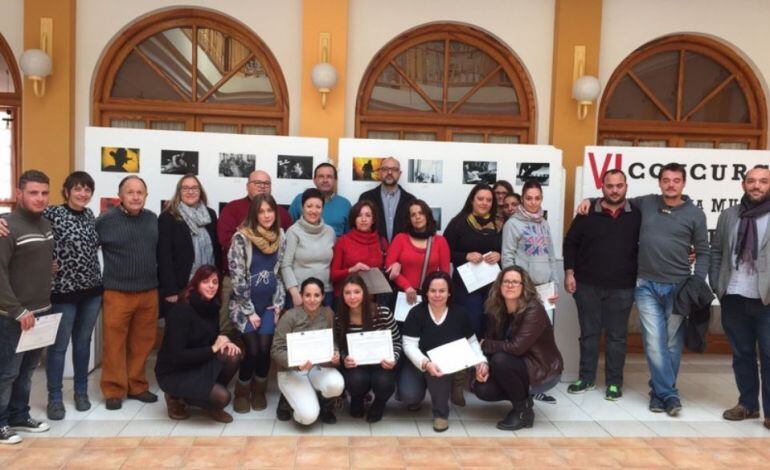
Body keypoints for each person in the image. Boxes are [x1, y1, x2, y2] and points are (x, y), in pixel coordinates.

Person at [577, 162, 710, 416]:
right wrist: (589, 199)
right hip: (646, 285)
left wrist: (697, 280)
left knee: (671, 343)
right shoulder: (646, 203)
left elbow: (703, 251)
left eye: (676, 180)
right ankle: (669, 395)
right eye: (666, 180)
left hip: (679, 287)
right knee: (653, 343)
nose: (671, 184)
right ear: (659, 183)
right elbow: (615, 199)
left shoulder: (695, 214)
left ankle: (659, 393)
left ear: (684, 183)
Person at [563, 169, 640, 400]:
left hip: (623, 286)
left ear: (626, 186)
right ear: (602, 187)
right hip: (587, 285)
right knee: (589, 334)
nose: (614, 190)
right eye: (609, 186)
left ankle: (614, 383)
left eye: (619, 185)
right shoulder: (587, 213)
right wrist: (569, 273)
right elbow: (570, 243)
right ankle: (586, 378)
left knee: (617, 337)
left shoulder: (638, 213)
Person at [710, 166, 770, 427]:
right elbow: (716, 251)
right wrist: (717, 284)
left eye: (763, 181)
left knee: (769, 354)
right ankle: (747, 405)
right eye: (752, 181)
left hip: (766, 298)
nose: (756, 185)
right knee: (742, 353)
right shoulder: (729, 215)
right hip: (733, 295)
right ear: (743, 185)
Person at [44, 172, 104, 420]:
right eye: (78, 189)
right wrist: (45, 261)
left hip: (91, 291)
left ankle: (81, 392)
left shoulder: (90, 215)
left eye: (87, 189)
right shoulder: (52, 213)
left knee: (83, 343)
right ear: (67, 191)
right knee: (58, 348)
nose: (83, 193)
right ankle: (55, 398)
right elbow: (22, 224)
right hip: (62, 292)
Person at [96, 175, 159, 410]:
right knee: (114, 344)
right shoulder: (105, 220)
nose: (135, 196)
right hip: (117, 292)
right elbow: (85, 246)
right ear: (120, 195)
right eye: (130, 192)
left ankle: (137, 386)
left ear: (145, 195)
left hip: (148, 292)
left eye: (140, 192)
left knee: (142, 342)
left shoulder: (152, 219)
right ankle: (114, 389)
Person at [0, 170, 54, 444]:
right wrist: (17, 310)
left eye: (44, 192)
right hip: (14, 316)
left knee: (27, 370)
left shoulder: (45, 223)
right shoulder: (6, 226)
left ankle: (19, 414)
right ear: (19, 193)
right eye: (33, 192)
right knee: (6, 371)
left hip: (40, 311)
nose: (40, 198)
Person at [474, 266, 563, 430]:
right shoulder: (496, 308)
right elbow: (492, 341)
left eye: (515, 282)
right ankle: (524, 401)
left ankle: (522, 413)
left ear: (524, 286)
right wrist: (483, 363)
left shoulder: (533, 309)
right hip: (515, 365)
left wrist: (484, 344)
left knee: (500, 359)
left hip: (541, 368)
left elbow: (516, 348)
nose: (510, 285)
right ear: (499, 285)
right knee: (482, 389)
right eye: (506, 281)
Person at [399, 271, 487, 432]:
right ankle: (420, 394)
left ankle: (441, 414)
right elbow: (409, 345)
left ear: (449, 292)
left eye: (442, 291)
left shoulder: (460, 313)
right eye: (433, 291)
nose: (437, 295)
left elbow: (472, 342)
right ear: (426, 292)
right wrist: (425, 363)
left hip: (444, 364)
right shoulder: (416, 313)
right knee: (409, 395)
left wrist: (481, 362)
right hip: (419, 362)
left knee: (438, 373)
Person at [155, 266, 242, 423]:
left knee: (233, 355)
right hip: (174, 371)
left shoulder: (212, 305)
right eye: (206, 281)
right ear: (196, 284)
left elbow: (210, 337)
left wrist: (225, 342)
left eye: (215, 282)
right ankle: (176, 397)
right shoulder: (182, 310)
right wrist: (213, 349)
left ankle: (205, 395)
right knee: (223, 398)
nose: (211, 286)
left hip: (197, 362)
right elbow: (177, 356)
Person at [228, 194, 286, 413]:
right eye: (261, 211)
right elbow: (237, 277)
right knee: (252, 350)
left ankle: (259, 390)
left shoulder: (280, 235)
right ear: (254, 214)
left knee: (265, 349)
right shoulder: (241, 238)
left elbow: (277, 273)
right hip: (245, 307)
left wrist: (279, 303)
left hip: (269, 304)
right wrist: (249, 311)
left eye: (269, 210)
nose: (266, 215)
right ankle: (241, 392)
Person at [217, 170, 292, 338]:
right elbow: (225, 240)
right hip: (237, 282)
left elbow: (280, 260)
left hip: (268, 292)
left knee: (264, 344)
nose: (262, 186)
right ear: (247, 186)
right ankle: (232, 363)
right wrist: (254, 243)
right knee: (228, 331)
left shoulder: (281, 215)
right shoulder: (232, 208)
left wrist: (278, 300)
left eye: (266, 183)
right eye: (257, 183)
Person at [271, 277, 344, 425]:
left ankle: (325, 406)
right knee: (308, 417)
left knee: (336, 384)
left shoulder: (328, 313)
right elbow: (276, 350)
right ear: (301, 296)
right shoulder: (289, 316)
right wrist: (296, 364)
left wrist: (335, 353)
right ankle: (286, 399)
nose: (312, 299)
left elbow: (332, 341)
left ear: (323, 296)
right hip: (292, 370)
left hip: (318, 366)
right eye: (307, 295)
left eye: (317, 295)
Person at [334, 274, 401, 422]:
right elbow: (340, 345)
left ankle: (379, 403)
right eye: (347, 293)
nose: (352, 297)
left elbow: (396, 341)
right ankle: (357, 398)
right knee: (355, 380)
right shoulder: (340, 317)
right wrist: (345, 358)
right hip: (357, 365)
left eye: (357, 292)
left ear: (365, 293)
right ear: (342, 295)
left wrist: (394, 359)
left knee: (384, 381)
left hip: (382, 364)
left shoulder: (383, 312)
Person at [443, 183, 502, 336]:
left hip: (492, 286)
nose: (484, 203)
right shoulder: (458, 223)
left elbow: (508, 251)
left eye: (488, 200)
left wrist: (499, 255)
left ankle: (487, 359)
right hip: (465, 286)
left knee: (491, 324)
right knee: (471, 323)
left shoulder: (499, 224)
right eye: (480, 199)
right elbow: (444, 252)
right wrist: (465, 256)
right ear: (472, 201)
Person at [158, 174, 220, 318]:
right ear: (179, 192)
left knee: (205, 331)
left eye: (194, 188)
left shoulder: (210, 214)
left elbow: (215, 249)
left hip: (207, 285)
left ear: (200, 191)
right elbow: (164, 256)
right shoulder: (168, 216)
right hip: (180, 287)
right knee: (181, 332)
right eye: (185, 188)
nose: (190, 191)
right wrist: (170, 290)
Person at [385, 199, 450, 306]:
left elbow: (445, 274)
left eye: (421, 213)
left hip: (430, 297)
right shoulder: (400, 238)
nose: (417, 217)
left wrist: (436, 292)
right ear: (409, 219)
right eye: (413, 214)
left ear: (427, 216)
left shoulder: (440, 241)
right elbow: (389, 266)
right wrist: (407, 286)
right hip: (403, 296)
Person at [282, 188, 336, 308]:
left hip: (325, 293)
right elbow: (285, 265)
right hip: (300, 293)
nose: (313, 211)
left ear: (323, 209)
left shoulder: (330, 231)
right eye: (309, 206)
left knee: (325, 326)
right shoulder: (293, 231)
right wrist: (295, 293)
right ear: (302, 207)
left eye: (318, 207)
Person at [330, 201, 387, 298]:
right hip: (347, 298)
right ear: (354, 219)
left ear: (373, 220)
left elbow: (388, 267)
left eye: (368, 215)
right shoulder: (343, 241)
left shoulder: (382, 241)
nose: (363, 219)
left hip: (371, 300)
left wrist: (396, 264)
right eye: (359, 215)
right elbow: (333, 275)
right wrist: (352, 269)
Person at [359, 157, 416, 242]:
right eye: (385, 169)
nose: (389, 172)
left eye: (394, 169)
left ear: (400, 174)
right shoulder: (366, 198)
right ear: (380, 172)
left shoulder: (410, 200)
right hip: (372, 252)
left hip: (401, 253)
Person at [289, 163, 351, 237]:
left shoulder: (345, 204)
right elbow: (288, 227)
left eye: (329, 177)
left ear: (335, 180)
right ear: (314, 180)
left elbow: (349, 236)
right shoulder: (300, 199)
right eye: (321, 176)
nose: (325, 180)